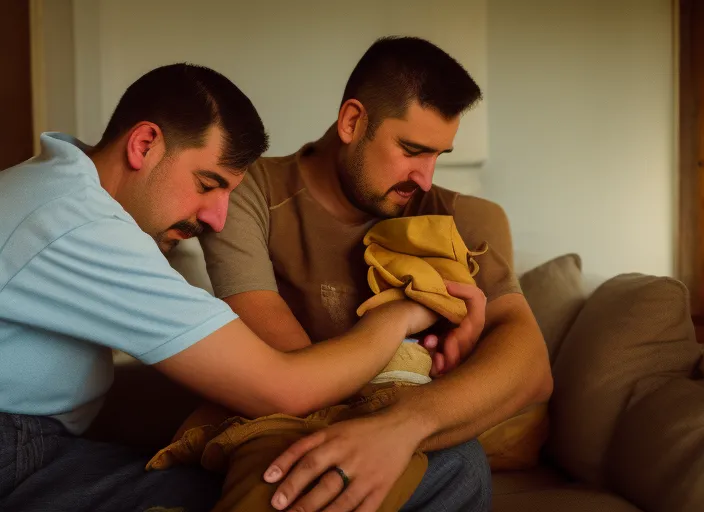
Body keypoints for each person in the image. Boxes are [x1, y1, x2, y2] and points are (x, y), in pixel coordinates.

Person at [0, 63, 438, 512]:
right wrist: (399, 313)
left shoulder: (56, 183)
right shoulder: (79, 223)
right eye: (207, 185)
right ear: (144, 144)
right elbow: (283, 389)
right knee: (317, 490)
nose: (217, 219)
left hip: (44, 441)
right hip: (17, 458)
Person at [199, 36, 553, 512]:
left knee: (462, 463)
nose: (425, 177)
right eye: (411, 149)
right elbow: (292, 377)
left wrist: (407, 425)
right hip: (285, 429)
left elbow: (531, 369)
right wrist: (406, 318)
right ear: (352, 121)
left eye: (438, 155)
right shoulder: (247, 191)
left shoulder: (462, 215)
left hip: (417, 439)